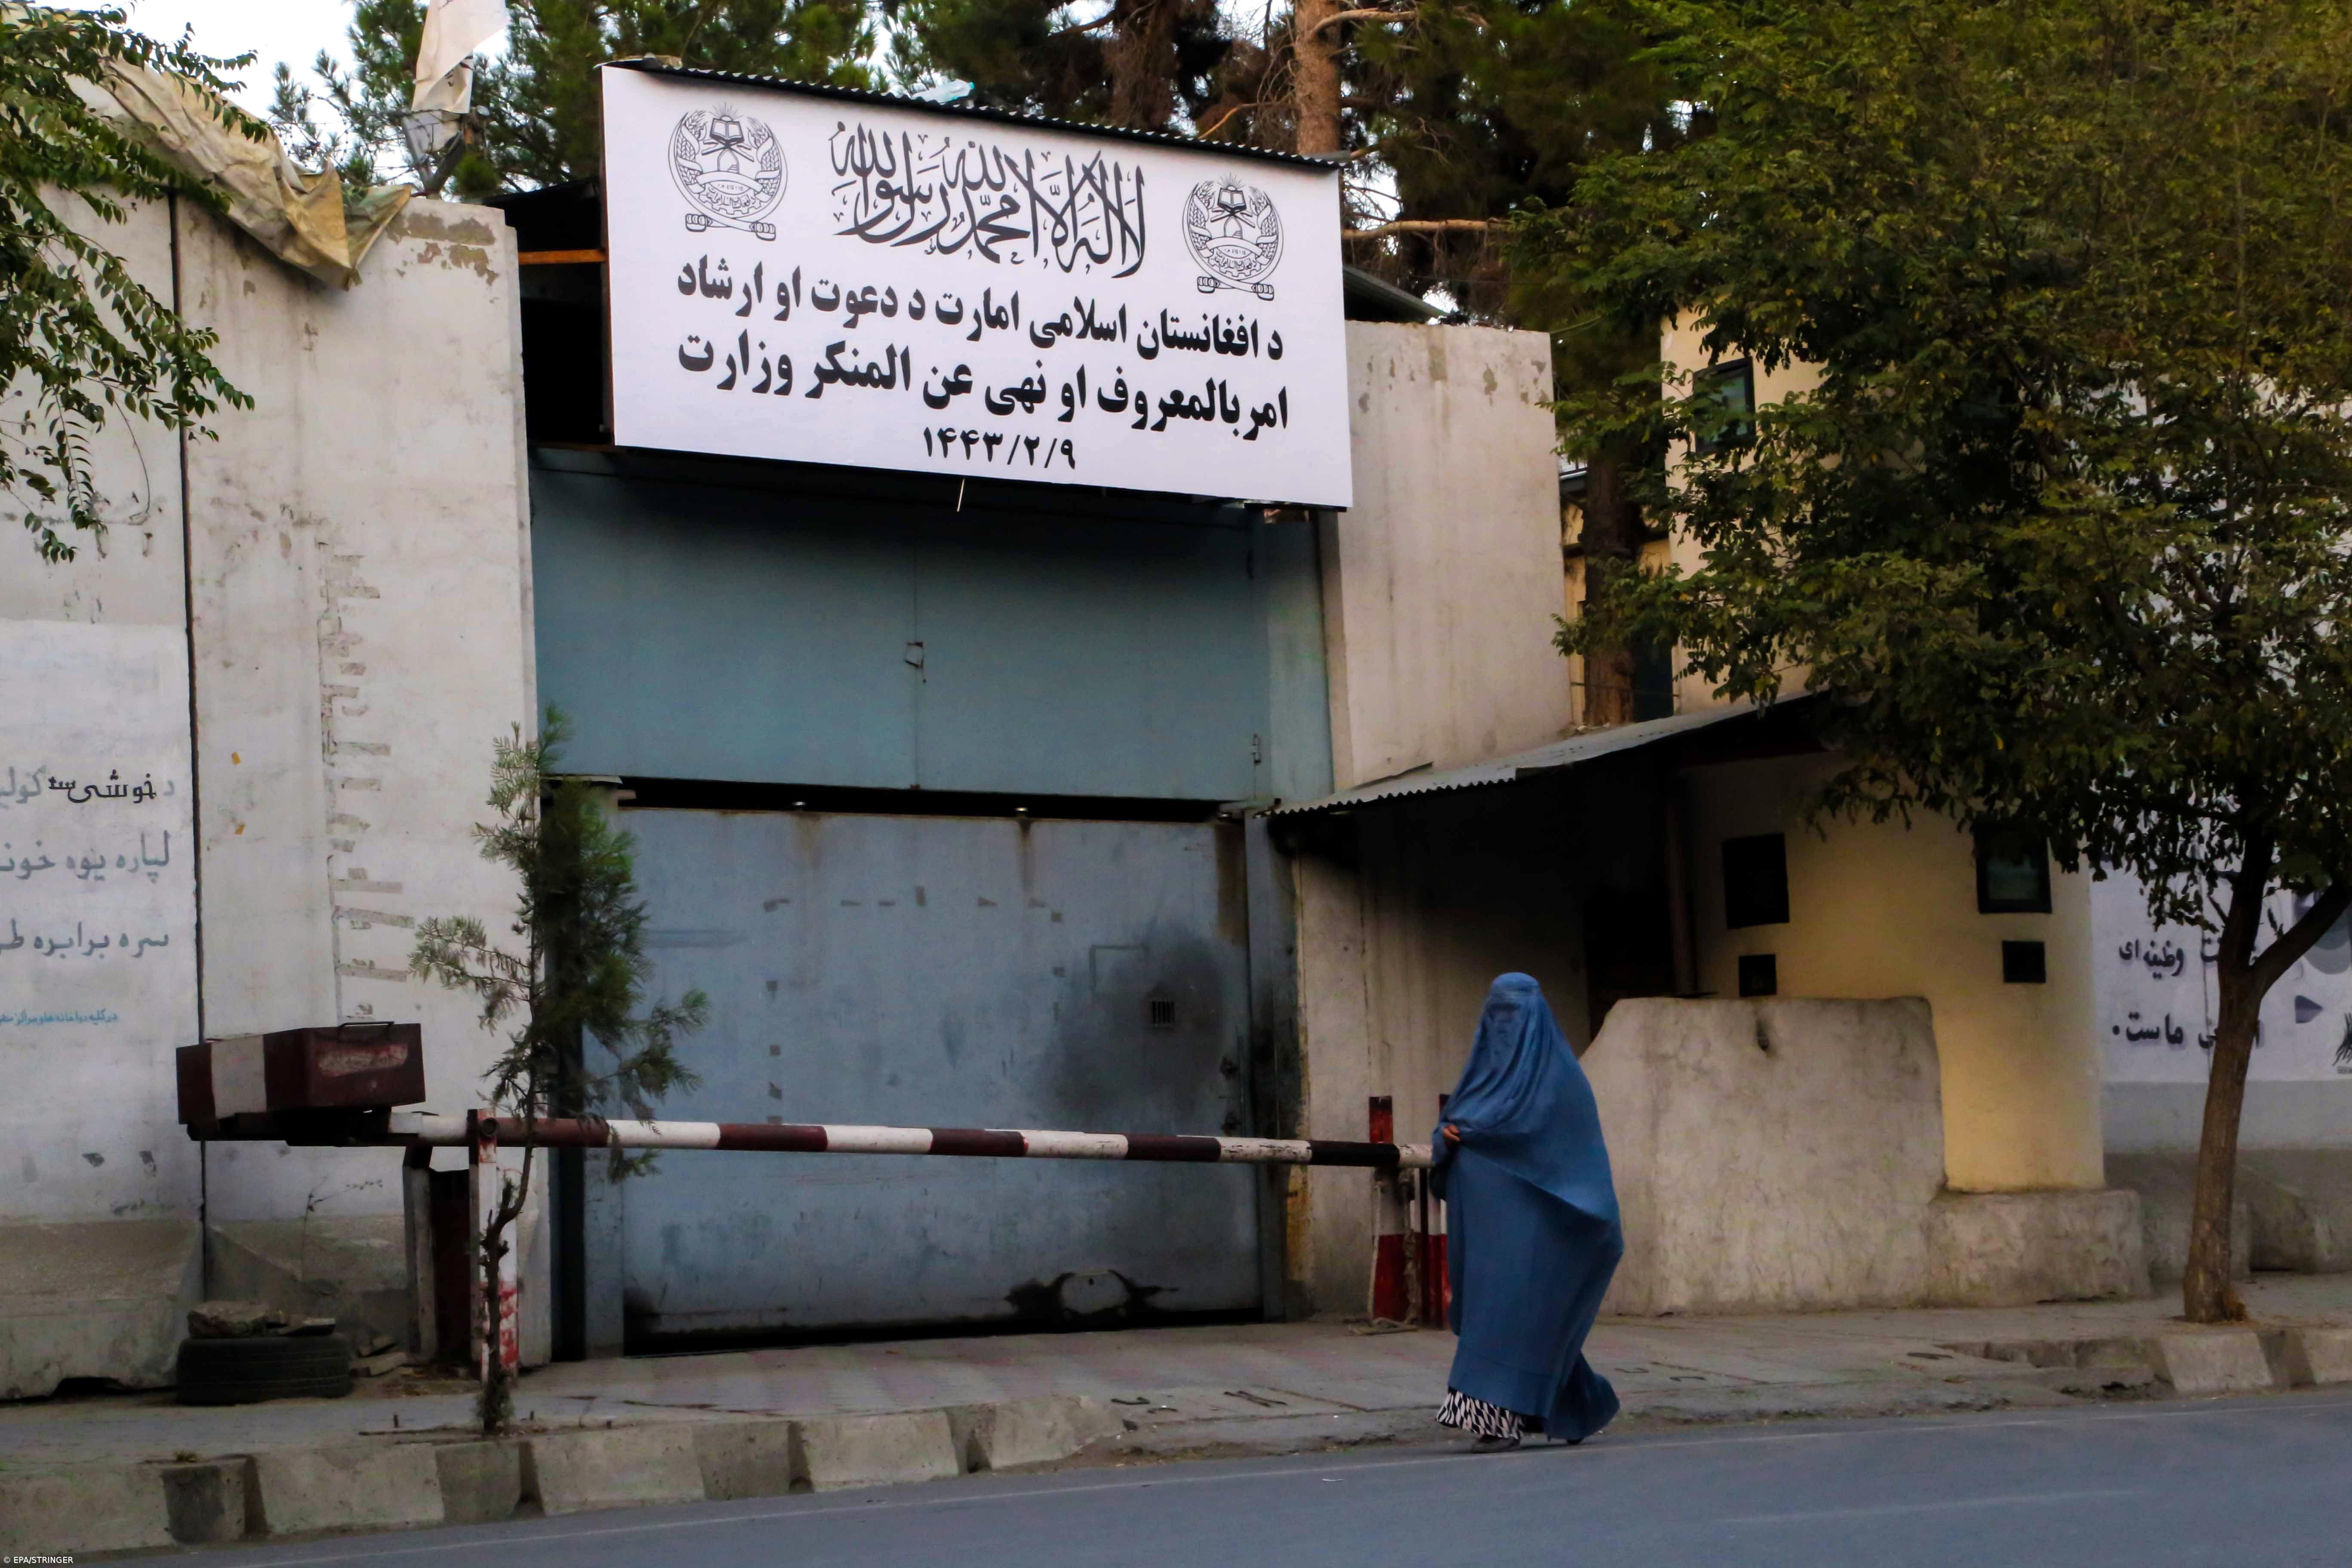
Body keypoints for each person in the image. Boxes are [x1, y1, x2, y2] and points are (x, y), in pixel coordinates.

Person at [1430, 972, 1623, 1452]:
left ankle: (1493, 1419)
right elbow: (1452, 1129)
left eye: (1515, 1013)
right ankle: (1577, 1407)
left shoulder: (1564, 1084)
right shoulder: (1479, 1078)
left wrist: (1483, 1136)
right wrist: (1447, 1139)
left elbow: (1569, 1152)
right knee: (1511, 1318)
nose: (1506, 1024)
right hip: (1486, 1227)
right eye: (1497, 1013)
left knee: (1510, 1314)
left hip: (1542, 1229)